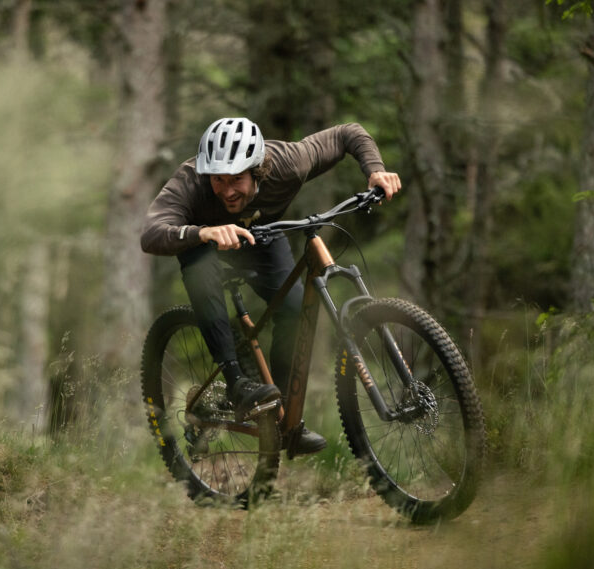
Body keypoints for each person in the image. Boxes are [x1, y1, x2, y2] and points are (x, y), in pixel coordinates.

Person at [140, 118, 400, 454]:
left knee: (294, 307)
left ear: (258, 170)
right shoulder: (191, 180)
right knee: (199, 264)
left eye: (236, 179)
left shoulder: (287, 163)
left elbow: (347, 133)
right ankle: (235, 383)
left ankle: (280, 416)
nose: (227, 190)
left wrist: (375, 170)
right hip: (206, 243)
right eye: (218, 180)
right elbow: (150, 232)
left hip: (262, 238)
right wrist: (201, 232)